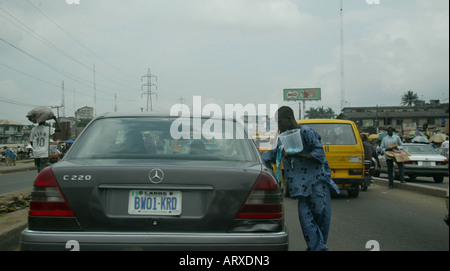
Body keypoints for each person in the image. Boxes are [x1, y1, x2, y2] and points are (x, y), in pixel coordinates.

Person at [262, 106, 339, 251]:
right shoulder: (283, 137)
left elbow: (319, 155)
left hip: (317, 186)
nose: (279, 126)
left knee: (320, 223)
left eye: (280, 122)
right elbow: (276, 153)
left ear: (290, 119)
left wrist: (296, 154)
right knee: (307, 226)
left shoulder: (307, 133)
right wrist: (257, 159)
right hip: (301, 190)